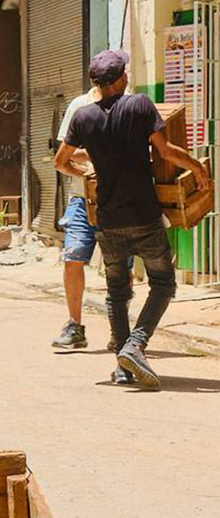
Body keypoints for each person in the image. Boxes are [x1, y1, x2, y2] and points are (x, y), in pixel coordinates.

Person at [56, 49, 211, 390]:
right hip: (144, 216)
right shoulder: (139, 105)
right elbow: (166, 151)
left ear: (96, 83)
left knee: (116, 291)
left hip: (107, 219)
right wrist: (198, 167)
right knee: (163, 283)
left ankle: (123, 368)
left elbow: (60, 160)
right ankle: (135, 344)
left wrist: (83, 172)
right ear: (122, 79)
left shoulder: (82, 117)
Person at [51, 81, 103, 352]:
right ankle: (74, 326)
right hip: (81, 199)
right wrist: (87, 174)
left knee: (121, 265)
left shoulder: (128, 103)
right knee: (73, 258)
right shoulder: (79, 106)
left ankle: (121, 332)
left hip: (117, 199)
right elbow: (63, 155)